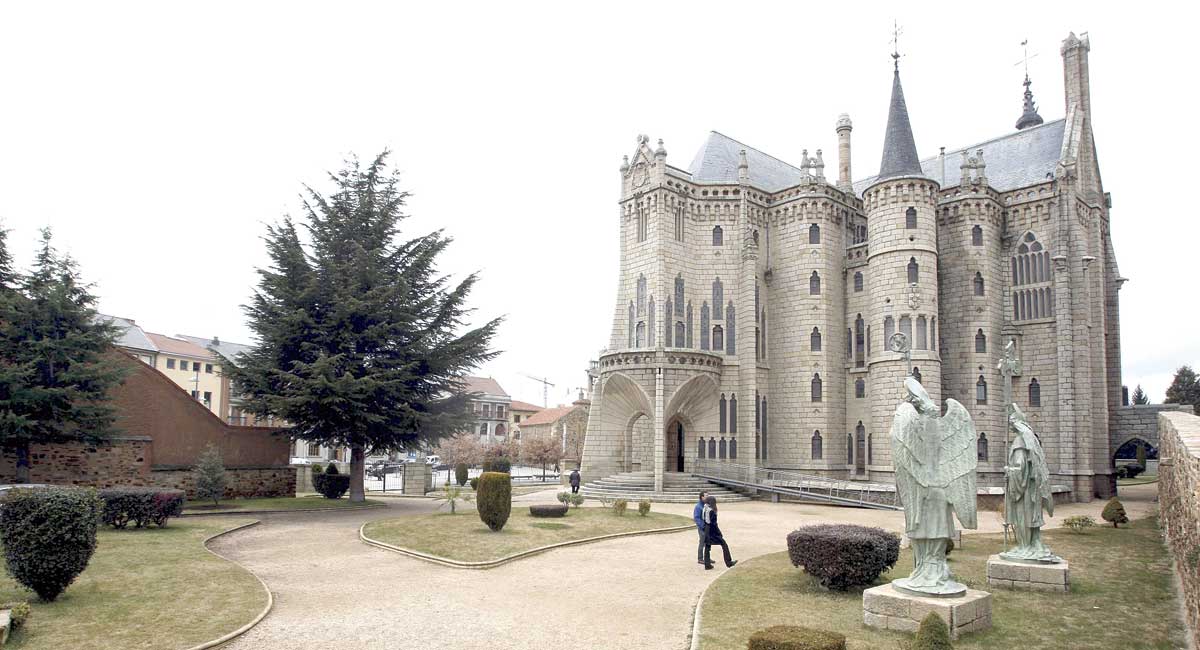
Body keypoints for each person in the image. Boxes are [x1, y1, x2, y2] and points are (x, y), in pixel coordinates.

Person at [702, 495, 737, 570]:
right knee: (724, 544)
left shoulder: (705, 508)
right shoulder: (711, 511)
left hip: (706, 529)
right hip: (712, 531)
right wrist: (719, 533)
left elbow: (705, 520)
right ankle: (729, 562)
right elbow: (714, 524)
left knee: (707, 547)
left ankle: (707, 565)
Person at [693, 491, 707, 564]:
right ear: (702, 497)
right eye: (706, 496)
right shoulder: (698, 506)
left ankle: (707, 557)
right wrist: (703, 526)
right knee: (702, 542)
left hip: (707, 527)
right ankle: (700, 558)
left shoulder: (706, 505)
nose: (707, 497)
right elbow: (696, 518)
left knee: (707, 542)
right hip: (702, 528)